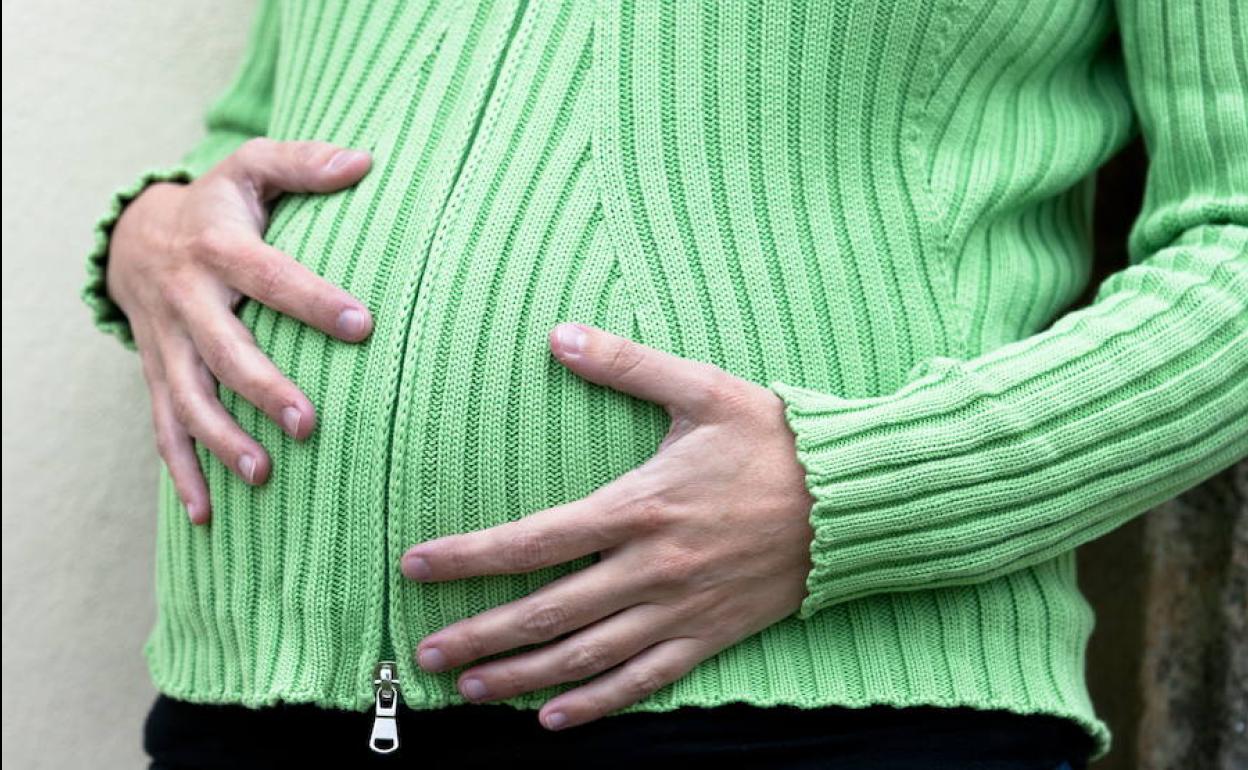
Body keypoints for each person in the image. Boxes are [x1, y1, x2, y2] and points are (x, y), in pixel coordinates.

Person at [83, 1, 1246, 768]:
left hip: (817, 705)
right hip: (256, 689)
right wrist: (155, 236)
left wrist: (855, 490)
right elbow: (276, 125)